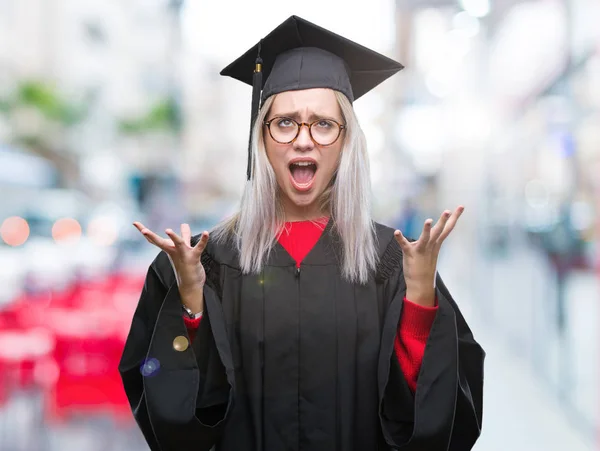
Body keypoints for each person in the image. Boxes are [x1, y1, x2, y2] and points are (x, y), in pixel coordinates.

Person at [119, 15, 485, 451]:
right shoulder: (208, 262)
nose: (304, 140)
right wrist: (193, 303)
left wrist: (420, 299)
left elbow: (438, 421)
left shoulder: (392, 261)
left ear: (348, 142)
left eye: (324, 124)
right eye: (285, 122)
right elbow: (177, 418)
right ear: (262, 138)